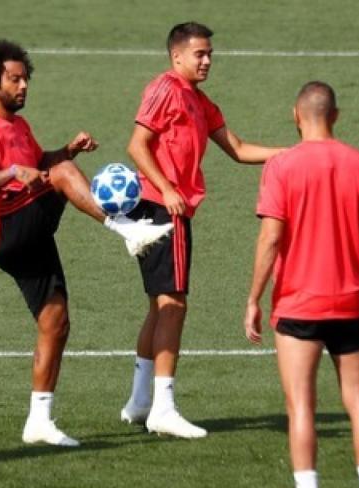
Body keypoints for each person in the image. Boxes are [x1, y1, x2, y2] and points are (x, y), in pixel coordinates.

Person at [0, 40, 174, 447]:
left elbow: (41, 165)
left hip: (31, 229)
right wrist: (12, 173)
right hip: (6, 231)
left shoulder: (19, 126)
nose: (23, 86)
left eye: (26, 79)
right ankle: (126, 228)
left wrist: (67, 149)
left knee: (55, 324)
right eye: (14, 79)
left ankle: (38, 421)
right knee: (63, 173)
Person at [245, 81, 359, 488]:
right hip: (350, 303)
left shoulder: (281, 167)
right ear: (336, 115)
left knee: (302, 408)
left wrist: (253, 298)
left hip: (297, 306)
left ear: (297, 115)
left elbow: (271, 237)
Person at [120, 22, 284, 438]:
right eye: (200, 54)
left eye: (210, 54)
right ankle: (163, 407)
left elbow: (240, 149)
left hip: (166, 207)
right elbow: (136, 145)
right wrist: (168, 188)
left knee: (160, 306)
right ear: (177, 56)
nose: (208, 60)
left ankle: (141, 402)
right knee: (174, 305)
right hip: (162, 208)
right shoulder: (165, 89)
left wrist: (293, 153)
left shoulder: (200, 101)